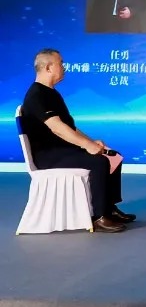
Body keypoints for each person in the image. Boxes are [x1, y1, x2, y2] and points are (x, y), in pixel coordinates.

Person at [19, 49, 135, 232]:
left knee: (113, 156)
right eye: (61, 63)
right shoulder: (36, 95)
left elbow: (70, 127)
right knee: (99, 162)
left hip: (63, 150)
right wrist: (87, 146)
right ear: (48, 67)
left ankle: (109, 208)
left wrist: (92, 142)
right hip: (48, 156)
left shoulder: (52, 93)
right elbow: (57, 128)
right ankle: (99, 217)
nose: (64, 67)